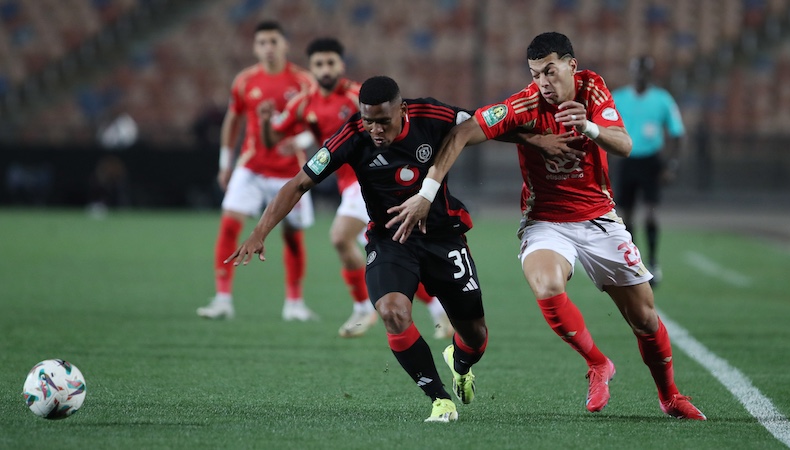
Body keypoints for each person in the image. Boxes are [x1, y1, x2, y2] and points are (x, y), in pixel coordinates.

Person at [388, 32, 706, 420]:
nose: (543, 82)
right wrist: (427, 192)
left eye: (550, 72)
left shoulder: (593, 89)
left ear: (572, 66)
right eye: (535, 74)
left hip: (599, 217)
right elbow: (463, 131)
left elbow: (624, 144)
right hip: (546, 221)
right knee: (546, 285)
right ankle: (598, 363)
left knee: (644, 318)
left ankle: (670, 396)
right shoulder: (524, 104)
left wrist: (588, 127)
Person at [227, 76, 487, 422]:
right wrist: (259, 232)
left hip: (443, 236)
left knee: (475, 336)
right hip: (391, 240)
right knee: (393, 312)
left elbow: (484, 123)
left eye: (383, 121)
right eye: (368, 121)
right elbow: (299, 183)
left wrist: (536, 138)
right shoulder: (351, 136)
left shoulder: (429, 114)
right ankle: (439, 399)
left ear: (402, 110)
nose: (375, 130)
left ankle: (461, 362)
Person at [260, 37, 454, 339]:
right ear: (311, 68)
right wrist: (267, 123)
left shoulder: (358, 98)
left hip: (370, 183)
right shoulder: (304, 102)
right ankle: (434, 309)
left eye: (331, 62)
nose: (325, 69)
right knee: (390, 250)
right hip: (347, 185)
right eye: (319, 64)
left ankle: (366, 308)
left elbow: (393, 125)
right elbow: (274, 138)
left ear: (341, 64)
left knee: (343, 237)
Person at [197, 21, 318, 322]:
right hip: (251, 167)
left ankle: (294, 304)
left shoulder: (303, 81)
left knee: (292, 237)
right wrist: (225, 163)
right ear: (255, 47)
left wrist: (301, 141)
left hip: (291, 172)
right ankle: (222, 299)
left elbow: (318, 121)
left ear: (285, 44)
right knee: (229, 226)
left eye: (273, 41)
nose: (268, 47)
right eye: (262, 42)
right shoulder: (245, 81)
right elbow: (232, 120)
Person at [612, 55, 685, 287]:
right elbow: (604, 128)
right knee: (626, 215)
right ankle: (633, 262)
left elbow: (677, 133)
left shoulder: (662, 100)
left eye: (645, 71)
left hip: (651, 161)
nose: (640, 75)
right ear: (632, 72)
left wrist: (672, 165)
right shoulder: (618, 98)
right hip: (626, 160)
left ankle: (653, 261)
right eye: (637, 70)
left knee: (651, 213)